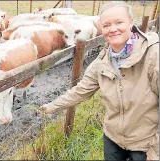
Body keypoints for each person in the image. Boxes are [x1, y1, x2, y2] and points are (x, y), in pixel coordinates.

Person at [40, 1, 159, 161]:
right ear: (101, 29)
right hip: (113, 137)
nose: (113, 29)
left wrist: (155, 151)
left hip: (143, 143)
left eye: (119, 22)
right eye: (107, 25)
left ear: (131, 22)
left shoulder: (153, 55)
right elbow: (80, 91)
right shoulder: (102, 61)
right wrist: (50, 107)